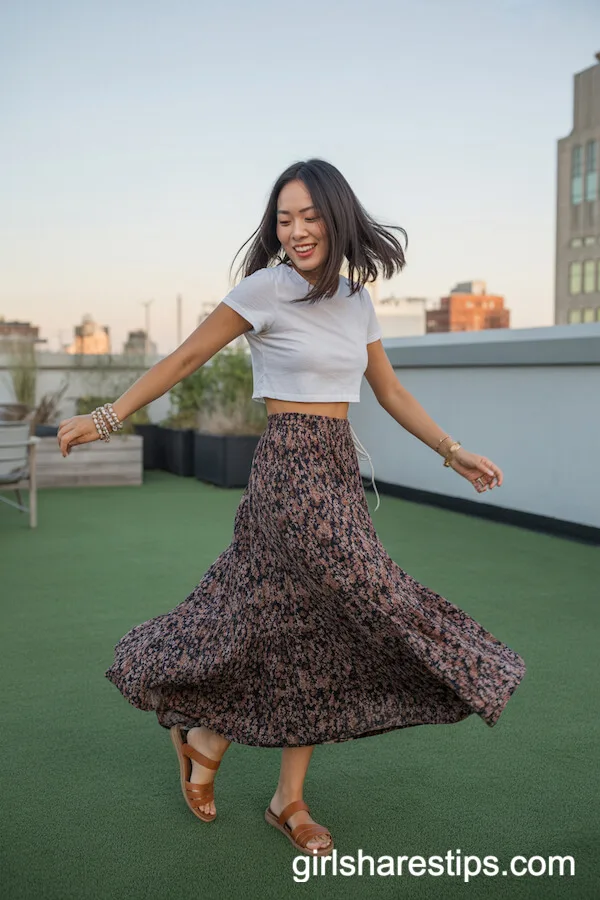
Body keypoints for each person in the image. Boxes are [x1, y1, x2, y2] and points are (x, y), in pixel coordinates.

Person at [57, 158, 526, 857]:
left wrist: (450, 450)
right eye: (285, 218)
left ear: (336, 217)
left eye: (309, 216)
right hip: (288, 469)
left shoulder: (356, 300)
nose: (297, 230)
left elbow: (390, 393)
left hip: (336, 465)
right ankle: (213, 736)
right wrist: (108, 416)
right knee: (361, 598)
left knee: (312, 625)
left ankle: (277, 792)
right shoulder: (264, 289)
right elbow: (185, 359)